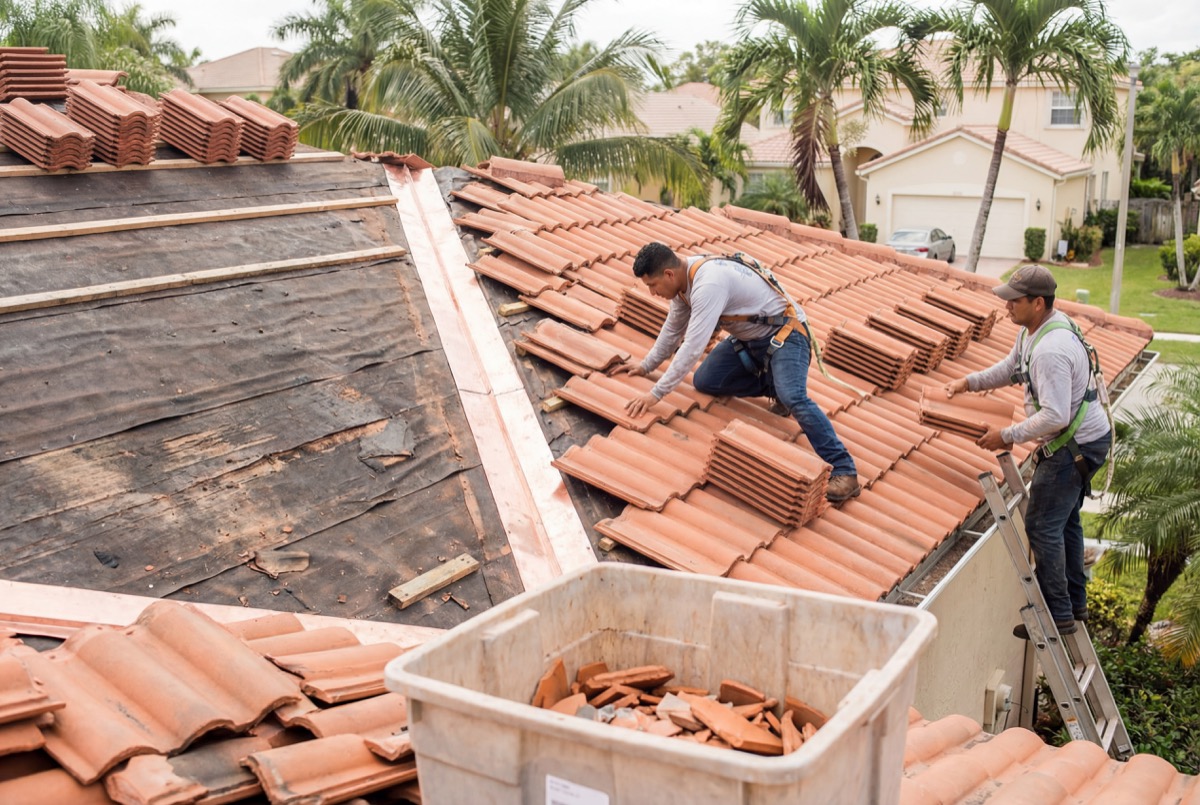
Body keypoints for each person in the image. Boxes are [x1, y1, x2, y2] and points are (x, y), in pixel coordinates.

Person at [612, 242, 860, 502]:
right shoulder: (682, 286)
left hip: (788, 336)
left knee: (794, 397)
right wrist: (646, 365)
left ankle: (844, 469)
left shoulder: (708, 285)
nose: (652, 293)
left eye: (653, 285)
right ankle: (775, 384)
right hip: (749, 342)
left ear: (669, 275)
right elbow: (673, 332)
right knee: (706, 380)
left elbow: (692, 347)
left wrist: (655, 394)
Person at [944, 264, 1111, 638]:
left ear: (1038, 303)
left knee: (1041, 525)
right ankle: (1075, 604)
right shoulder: (1039, 330)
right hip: (1086, 440)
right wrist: (968, 382)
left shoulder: (1051, 349)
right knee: (1064, 521)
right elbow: (1010, 368)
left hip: (1074, 447)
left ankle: (1057, 615)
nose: (1006, 307)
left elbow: (1054, 416)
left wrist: (1007, 434)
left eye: (1013, 301)